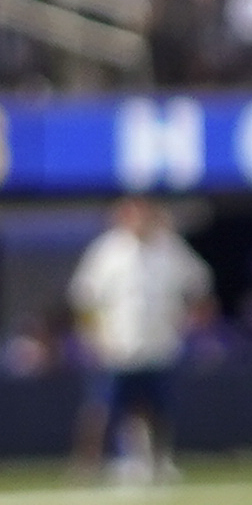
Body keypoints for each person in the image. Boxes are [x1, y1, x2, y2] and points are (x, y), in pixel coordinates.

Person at [68, 196, 212, 485]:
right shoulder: (107, 250)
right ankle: (87, 464)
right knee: (102, 408)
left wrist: (187, 323)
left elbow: (199, 283)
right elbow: (84, 297)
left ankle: (159, 463)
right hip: (117, 344)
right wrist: (94, 337)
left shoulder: (170, 248)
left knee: (157, 409)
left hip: (159, 343)